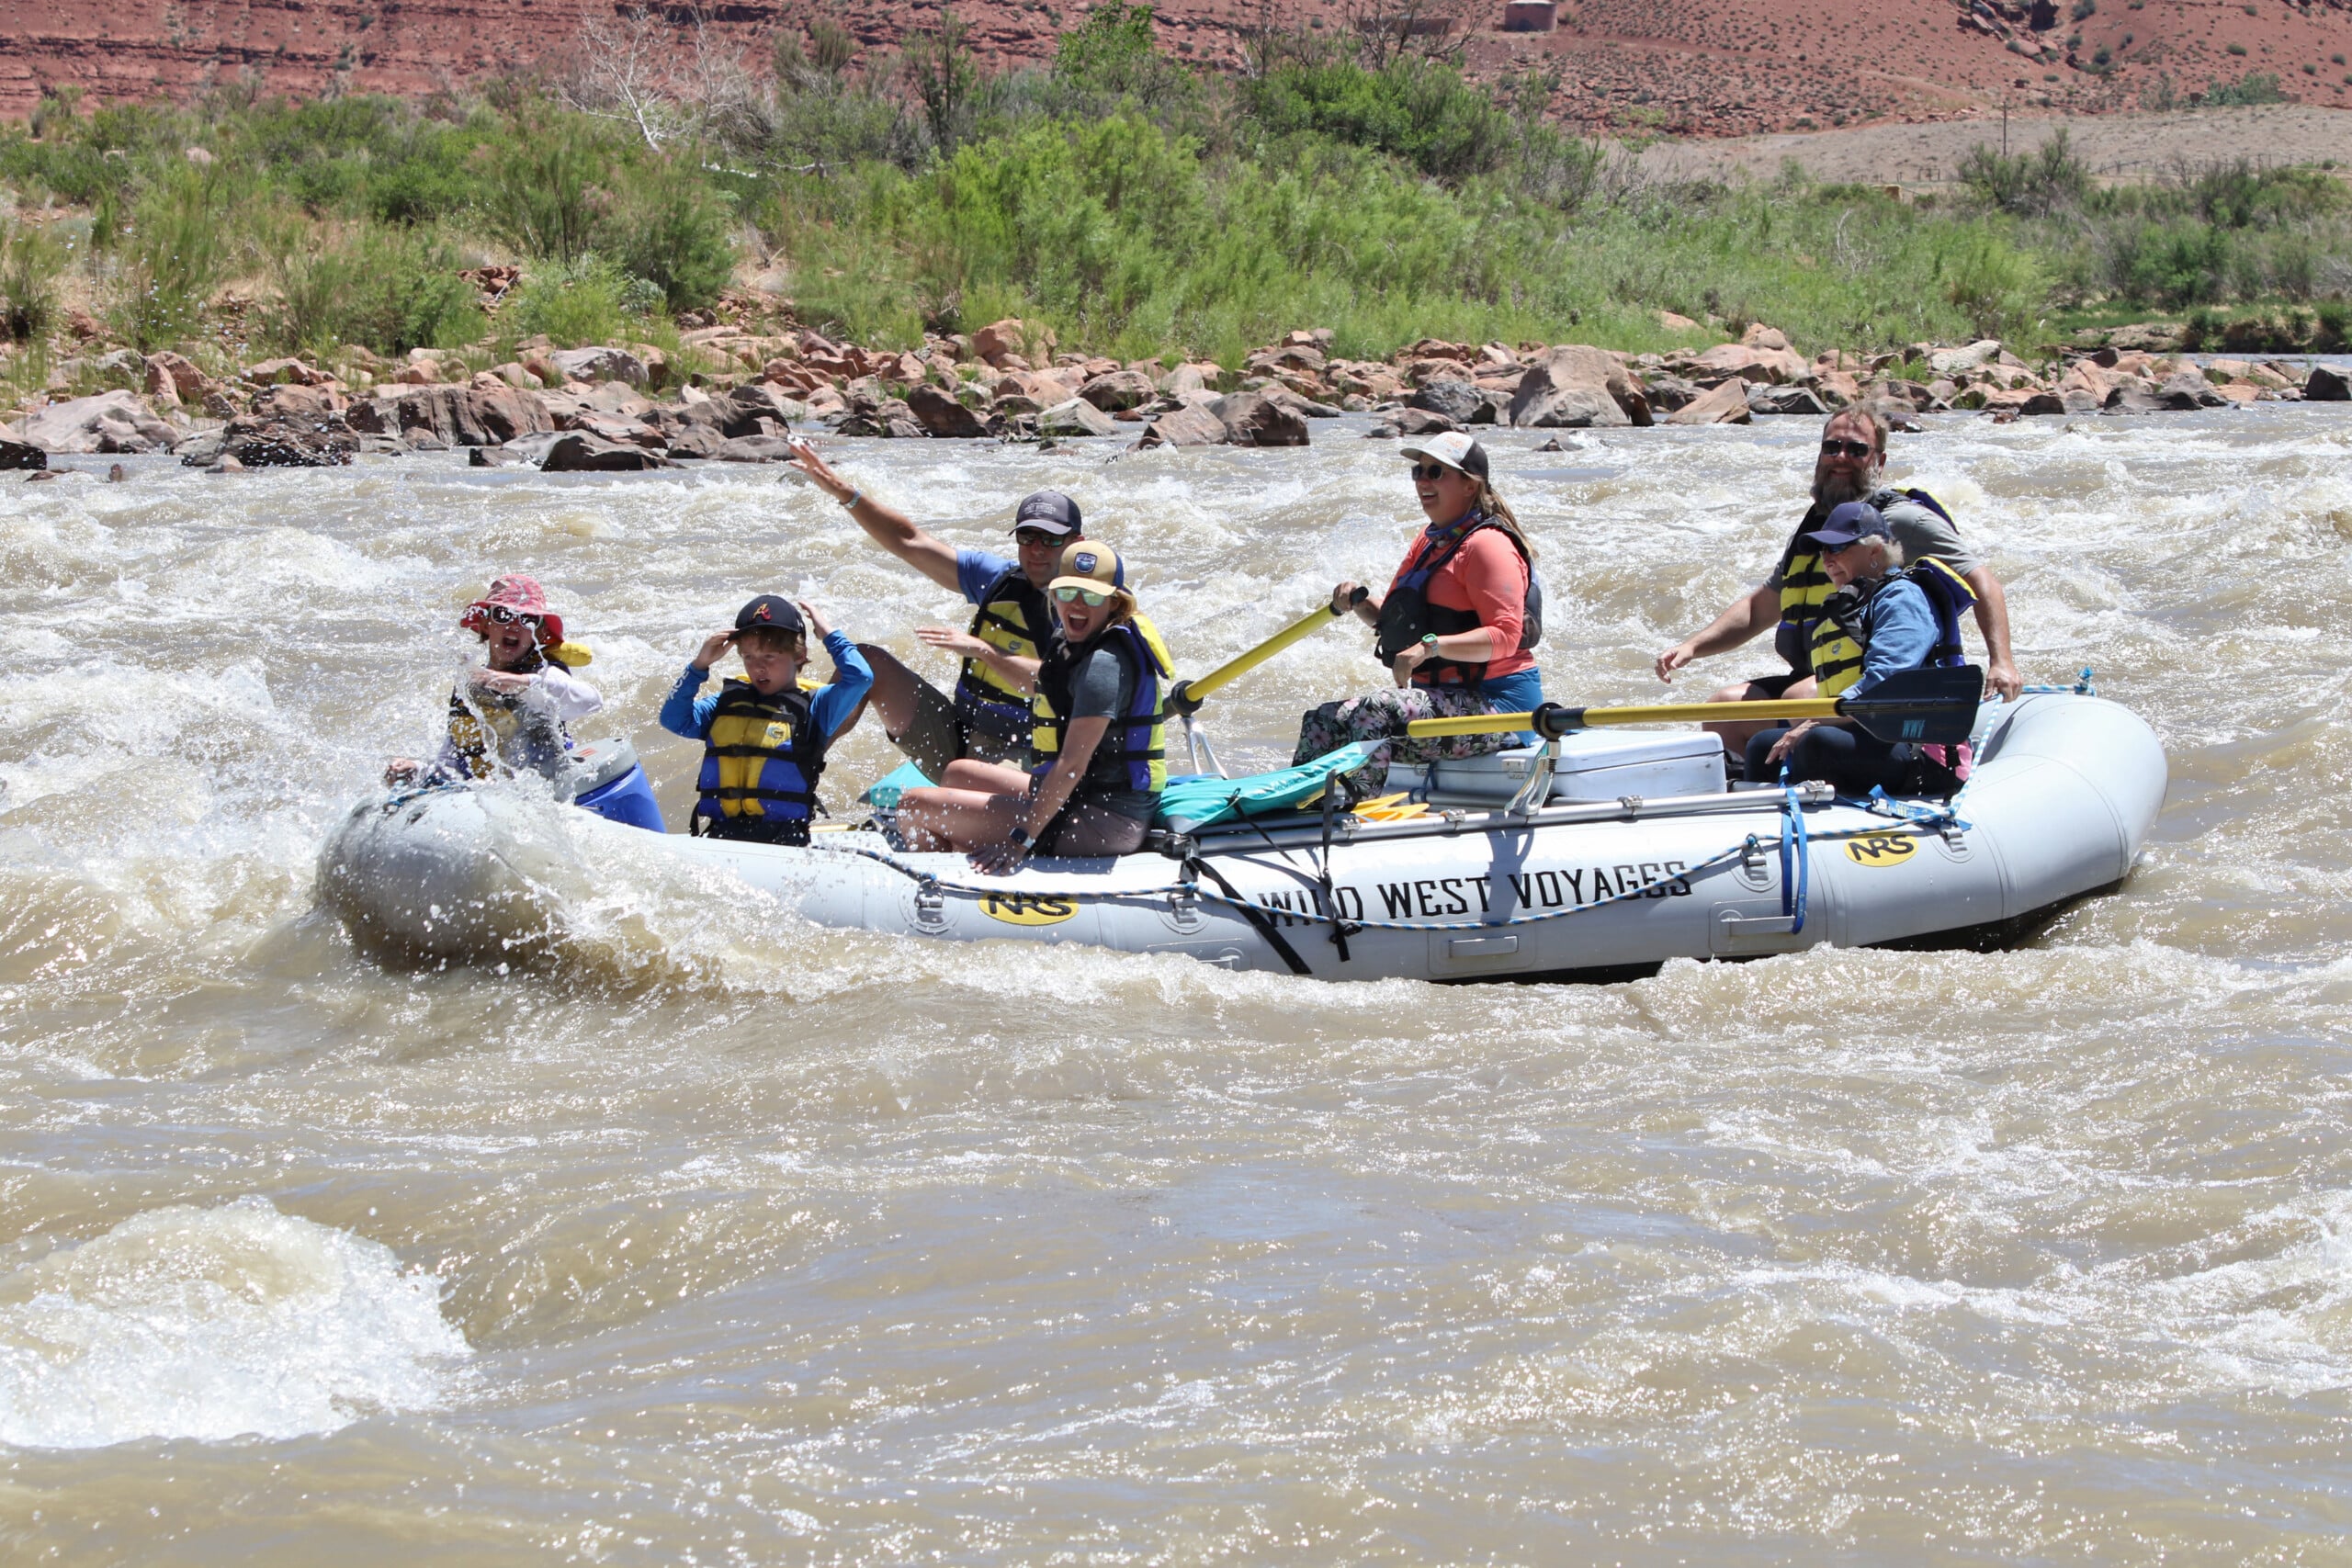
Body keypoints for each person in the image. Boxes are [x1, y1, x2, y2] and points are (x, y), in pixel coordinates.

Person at [1653, 406, 2020, 764]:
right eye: (1832, 447)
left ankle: (1820, 776)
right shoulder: (1815, 530)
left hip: (1877, 680)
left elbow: (1982, 581)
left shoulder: (1904, 520)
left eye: (1857, 449)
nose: (1841, 457)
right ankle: (1748, 787)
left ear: (1879, 461)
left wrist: (2001, 662)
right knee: (1723, 709)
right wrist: (1692, 647)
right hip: (1824, 673)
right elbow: (1759, 609)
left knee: (1799, 695)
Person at [783, 436, 1079, 777]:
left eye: (1052, 538)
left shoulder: (1088, 607)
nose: (1038, 549)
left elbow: (1061, 687)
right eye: (1028, 537)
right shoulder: (998, 579)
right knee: (865, 663)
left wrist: (984, 651)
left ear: (1076, 543)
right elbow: (909, 541)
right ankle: (797, 769)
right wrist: (847, 496)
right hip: (959, 733)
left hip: (1031, 752)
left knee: (962, 780)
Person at [1292, 431, 1544, 802]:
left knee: (1375, 710)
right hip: (1444, 700)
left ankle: (1350, 816)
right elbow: (1397, 625)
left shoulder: (1488, 546)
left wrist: (1430, 648)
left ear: (1470, 485)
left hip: (1501, 709)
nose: (1423, 481)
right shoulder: (1429, 543)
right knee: (1323, 719)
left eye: (1437, 472)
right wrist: (1359, 601)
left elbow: (1504, 637)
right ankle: (1292, 809)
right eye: (1419, 471)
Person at [897, 542, 1172, 869]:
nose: (1078, 604)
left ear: (1115, 603)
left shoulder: (1104, 665)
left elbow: (1072, 766)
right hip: (1082, 798)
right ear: (1054, 594)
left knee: (912, 806)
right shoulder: (1073, 644)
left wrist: (1020, 839)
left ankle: (941, 895)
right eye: (1068, 592)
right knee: (958, 773)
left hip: (1105, 820)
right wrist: (984, 651)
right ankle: (963, 856)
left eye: (1093, 596)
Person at [1745, 502, 1975, 797]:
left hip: (1915, 748)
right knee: (1762, 745)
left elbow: (1886, 682)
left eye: (1838, 549)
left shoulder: (1903, 597)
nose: (1827, 559)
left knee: (1819, 742)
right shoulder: (1855, 601)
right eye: (1824, 551)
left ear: (1875, 550)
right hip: (1867, 734)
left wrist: (1811, 723)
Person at [660, 594, 874, 845]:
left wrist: (828, 633)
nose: (758, 667)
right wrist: (699, 665)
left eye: (769, 656)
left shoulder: (817, 706)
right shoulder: (724, 704)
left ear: (799, 655)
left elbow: (861, 676)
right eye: (748, 657)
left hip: (784, 841)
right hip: (721, 835)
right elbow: (673, 719)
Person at [385, 574, 602, 787]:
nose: (514, 625)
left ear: (540, 631)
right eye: (502, 614)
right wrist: (419, 769)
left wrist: (525, 683)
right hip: (482, 792)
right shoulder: (472, 684)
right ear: (485, 625)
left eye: (527, 619)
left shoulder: (544, 675)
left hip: (540, 788)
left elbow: (591, 702)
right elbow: (454, 761)